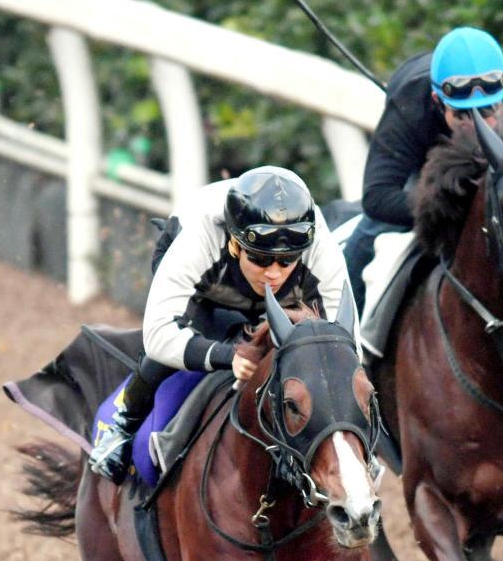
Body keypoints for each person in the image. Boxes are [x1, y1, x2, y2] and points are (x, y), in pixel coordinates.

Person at [89, 165, 353, 484]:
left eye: (287, 260)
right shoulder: (200, 235)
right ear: (236, 244)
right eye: (260, 258)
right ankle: (123, 426)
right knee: (169, 355)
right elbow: (158, 335)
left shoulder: (320, 245)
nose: (274, 272)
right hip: (207, 293)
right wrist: (229, 355)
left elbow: (346, 347)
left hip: (277, 301)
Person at [343, 25, 503, 314]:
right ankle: (344, 331)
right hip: (435, 179)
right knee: (368, 235)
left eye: (488, 110)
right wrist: (454, 209)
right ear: (439, 102)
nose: (479, 126)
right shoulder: (411, 105)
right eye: (463, 114)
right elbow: (377, 198)